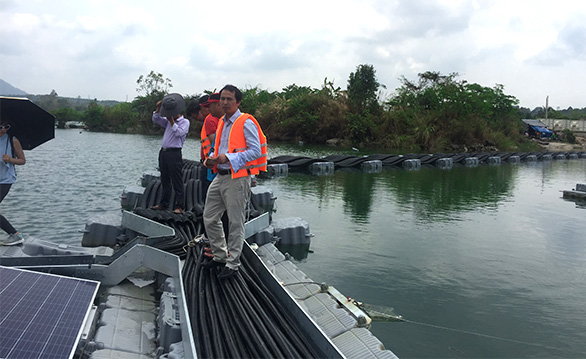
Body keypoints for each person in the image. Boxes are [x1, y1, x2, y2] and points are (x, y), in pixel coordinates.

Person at [203, 84, 267, 280]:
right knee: (209, 216)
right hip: (220, 176)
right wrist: (212, 158)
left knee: (235, 222)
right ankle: (220, 255)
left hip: (237, 178)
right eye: (222, 98)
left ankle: (233, 264)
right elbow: (220, 147)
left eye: (229, 99)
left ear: (238, 102)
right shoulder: (223, 121)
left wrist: (229, 158)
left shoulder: (245, 121)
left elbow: (256, 150)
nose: (224, 102)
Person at [151, 93, 190, 214]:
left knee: (177, 180)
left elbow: (179, 133)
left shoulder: (185, 122)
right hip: (164, 153)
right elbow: (155, 119)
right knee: (165, 179)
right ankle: (164, 204)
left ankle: (179, 206)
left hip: (174, 153)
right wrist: (158, 108)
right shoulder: (167, 121)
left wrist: (172, 122)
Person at [0, 122, 26, 246]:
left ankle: (15, 235)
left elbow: (22, 160)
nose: (3, 130)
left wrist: (9, 159)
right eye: (0, 127)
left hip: (5, 180)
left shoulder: (12, 140)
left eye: (6, 127)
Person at [199, 93, 222, 196]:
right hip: (214, 164)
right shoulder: (222, 121)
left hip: (216, 166)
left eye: (210, 106)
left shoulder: (210, 119)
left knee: (209, 195)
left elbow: (217, 144)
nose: (208, 109)